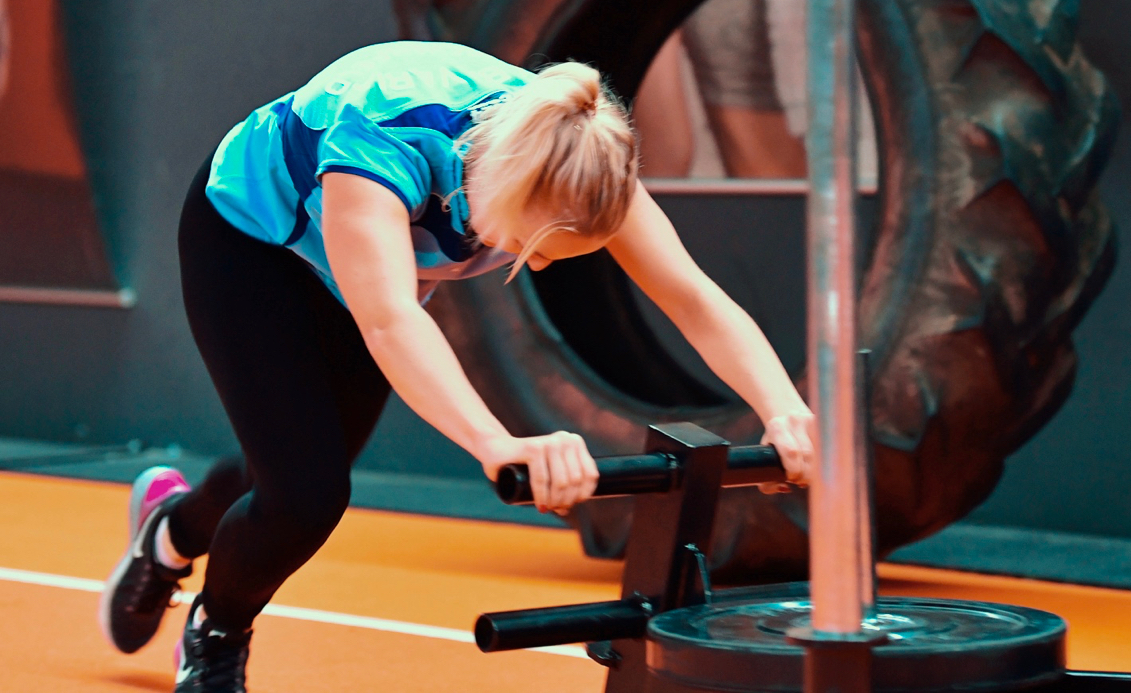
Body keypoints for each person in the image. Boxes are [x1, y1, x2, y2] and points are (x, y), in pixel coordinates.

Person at [97, 40, 817, 693]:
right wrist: (496, 443)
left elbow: (691, 297)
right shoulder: (383, 139)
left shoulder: (584, 163)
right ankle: (216, 636)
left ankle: (169, 528)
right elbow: (389, 319)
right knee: (306, 493)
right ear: (499, 183)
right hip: (253, 244)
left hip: (375, 272)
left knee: (280, 475)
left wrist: (784, 409)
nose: (533, 263)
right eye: (534, 246)